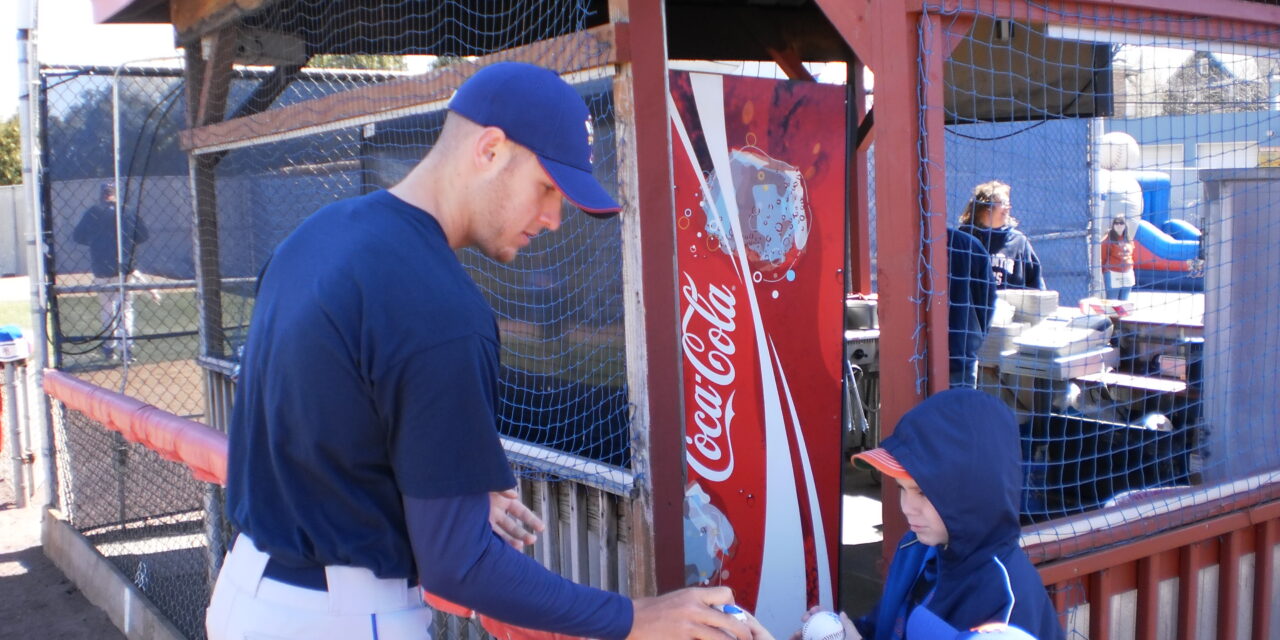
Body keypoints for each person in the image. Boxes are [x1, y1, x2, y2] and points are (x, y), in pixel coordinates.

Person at [206, 62, 750, 640]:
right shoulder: (440, 303)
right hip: (338, 616)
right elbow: (459, 562)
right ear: (489, 150)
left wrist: (432, 490)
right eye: (546, 187)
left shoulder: (313, 236)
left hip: (248, 595)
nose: (553, 219)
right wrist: (633, 616)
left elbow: (311, 440)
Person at [72, 181, 151, 362]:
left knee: (107, 308)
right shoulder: (127, 211)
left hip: (101, 266)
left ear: (101, 194)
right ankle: (127, 350)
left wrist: (96, 242)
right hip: (125, 266)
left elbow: (78, 236)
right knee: (125, 308)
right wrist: (127, 242)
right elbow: (143, 235)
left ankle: (109, 347)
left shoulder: (93, 212)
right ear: (115, 194)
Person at [957, 181, 1044, 291]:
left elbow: (1036, 283)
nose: (1008, 208)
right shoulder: (963, 238)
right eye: (1003, 203)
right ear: (985, 206)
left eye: (1008, 204)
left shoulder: (1018, 241)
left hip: (1010, 307)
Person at [947, 228, 996, 388]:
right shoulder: (970, 244)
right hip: (961, 352)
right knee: (959, 410)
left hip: (913, 359)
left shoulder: (904, 244)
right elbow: (987, 300)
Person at [1101, 216, 1135, 301]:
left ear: (1125, 225)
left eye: (1121, 223)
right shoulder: (1107, 239)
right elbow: (1102, 257)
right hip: (1113, 273)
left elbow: (1131, 255)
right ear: (1113, 225)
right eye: (1116, 223)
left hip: (1127, 273)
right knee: (1112, 302)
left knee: (1124, 302)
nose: (1119, 225)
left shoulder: (1128, 239)